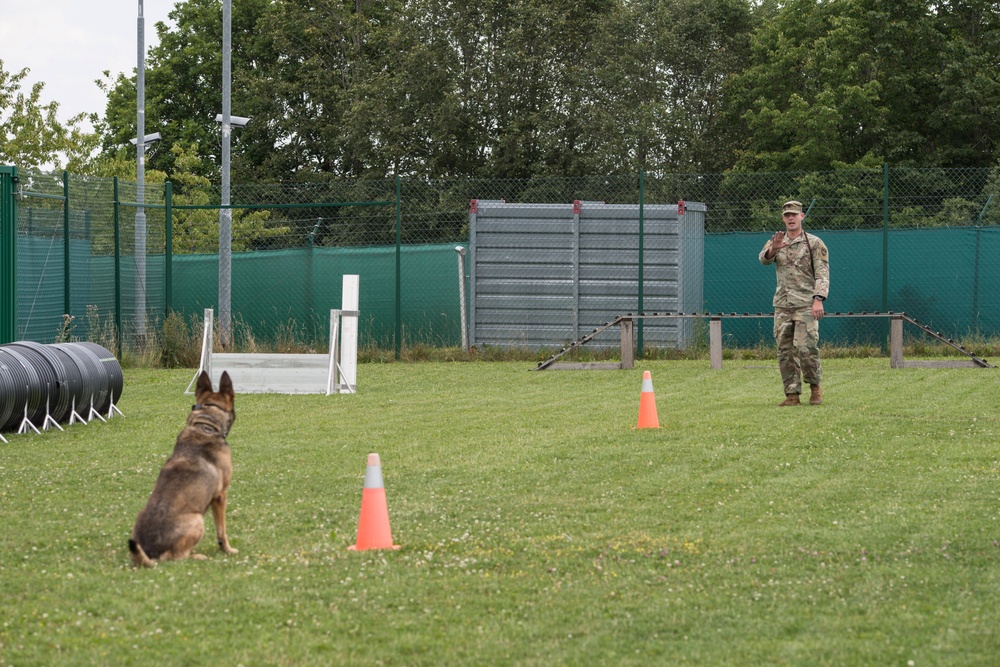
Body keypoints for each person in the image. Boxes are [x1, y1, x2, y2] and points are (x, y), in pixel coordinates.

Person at [759, 200, 830, 406]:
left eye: (794, 214)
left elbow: (822, 274)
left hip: (805, 304)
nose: (791, 218)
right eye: (787, 215)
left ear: (802, 216)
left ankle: (815, 387)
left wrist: (818, 300)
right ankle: (792, 395)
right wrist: (774, 248)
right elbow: (764, 259)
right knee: (785, 350)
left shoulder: (814, 243)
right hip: (782, 305)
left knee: (806, 348)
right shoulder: (776, 240)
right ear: (783, 218)